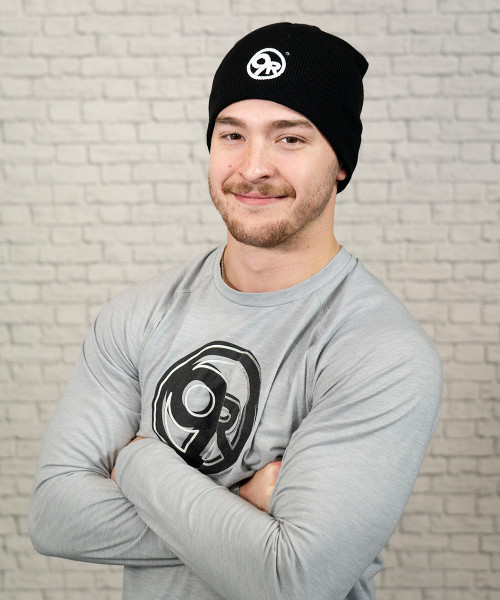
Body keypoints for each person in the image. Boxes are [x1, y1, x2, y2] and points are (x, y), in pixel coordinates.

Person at [29, 22, 442, 600]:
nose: (252, 168)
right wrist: (243, 505)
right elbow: (54, 516)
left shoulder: (378, 351)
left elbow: (293, 577)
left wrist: (143, 462)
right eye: (232, 135)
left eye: (290, 138)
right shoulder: (137, 315)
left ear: (342, 162)